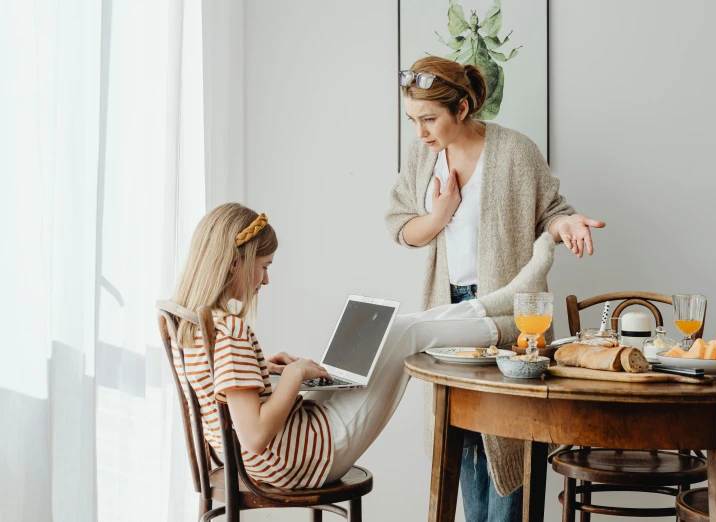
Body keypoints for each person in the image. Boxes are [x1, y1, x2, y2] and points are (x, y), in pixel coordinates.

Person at [169, 202, 557, 490]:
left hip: (278, 457)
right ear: (235, 263)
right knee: (404, 334)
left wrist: (263, 369)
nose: (265, 280)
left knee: (400, 327)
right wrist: (293, 374)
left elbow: (224, 395)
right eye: (264, 265)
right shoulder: (232, 330)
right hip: (298, 459)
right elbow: (254, 435)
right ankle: (512, 313)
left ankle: (507, 312)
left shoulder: (189, 323)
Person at [386, 56, 606, 520]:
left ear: (462, 108)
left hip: (508, 313)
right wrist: (440, 214)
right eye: (413, 120)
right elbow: (403, 229)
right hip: (448, 310)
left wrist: (566, 225)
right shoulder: (420, 157)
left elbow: (552, 211)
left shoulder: (515, 151)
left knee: (510, 432)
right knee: (462, 434)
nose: (420, 132)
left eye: (429, 119)